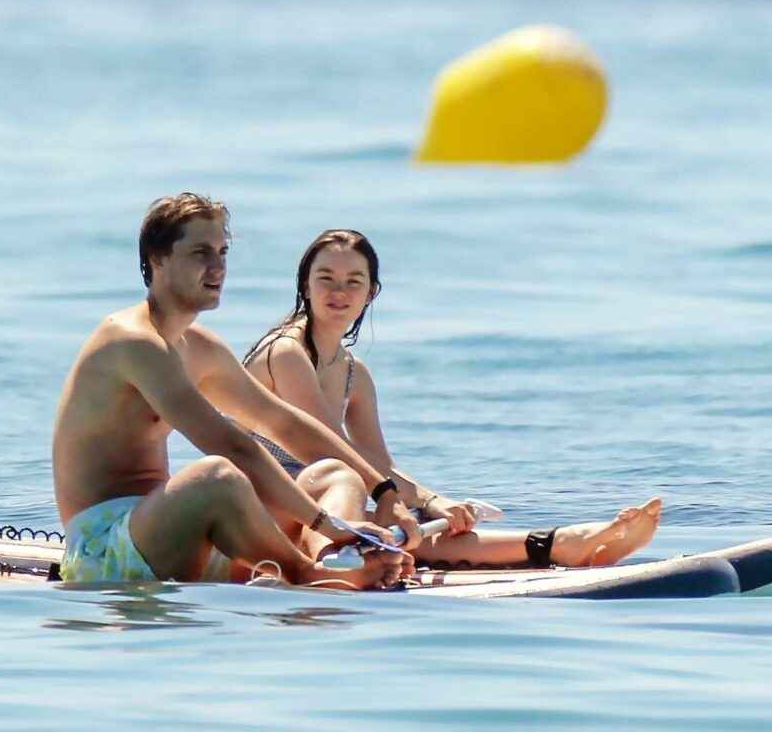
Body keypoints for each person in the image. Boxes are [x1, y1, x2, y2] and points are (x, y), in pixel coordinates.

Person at [53, 194, 424, 591]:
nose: (217, 268)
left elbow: (283, 422)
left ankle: (336, 562)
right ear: (158, 259)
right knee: (216, 474)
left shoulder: (199, 347)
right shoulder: (133, 342)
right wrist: (324, 521)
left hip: (174, 539)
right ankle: (306, 572)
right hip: (105, 550)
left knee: (335, 474)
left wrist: (384, 491)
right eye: (200, 253)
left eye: (222, 253)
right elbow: (231, 445)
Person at [243, 229, 662, 569]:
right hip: (263, 509)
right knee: (379, 516)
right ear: (305, 285)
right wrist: (401, 501)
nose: (340, 291)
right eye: (326, 278)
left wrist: (434, 502)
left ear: (371, 292)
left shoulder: (356, 376)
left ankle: (555, 543)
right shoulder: (286, 353)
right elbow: (328, 446)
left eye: (354, 281)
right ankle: (563, 545)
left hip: (323, 506)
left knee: (419, 526)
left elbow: (379, 463)